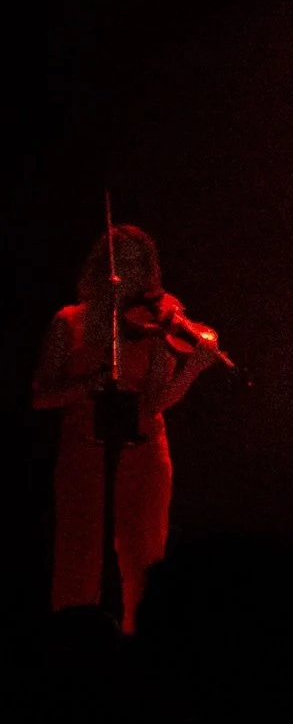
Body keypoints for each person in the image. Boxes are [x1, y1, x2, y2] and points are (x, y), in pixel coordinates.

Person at [32, 223, 223, 627]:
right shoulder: (69, 321)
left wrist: (192, 372)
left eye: (141, 265)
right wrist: (91, 383)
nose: (132, 275)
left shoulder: (158, 320)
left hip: (145, 455)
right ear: (103, 268)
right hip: (84, 453)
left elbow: (156, 402)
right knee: (78, 556)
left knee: (145, 561)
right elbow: (40, 395)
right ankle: (72, 648)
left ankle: (144, 652)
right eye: (123, 263)